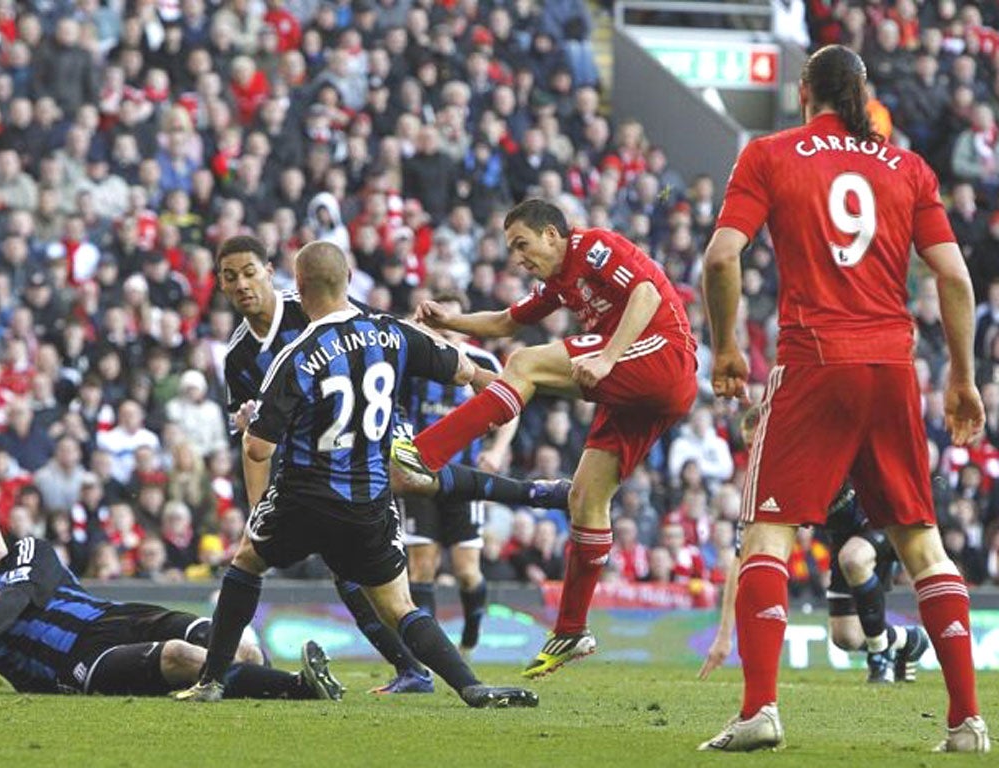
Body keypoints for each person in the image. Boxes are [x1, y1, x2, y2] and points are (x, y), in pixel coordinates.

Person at [699, 45, 989, 752]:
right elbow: (954, 278)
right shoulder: (910, 167)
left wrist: (729, 345)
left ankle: (760, 711)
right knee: (923, 542)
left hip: (816, 359)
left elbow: (719, 256)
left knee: (769, 533)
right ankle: (967, 725)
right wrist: (962, 375)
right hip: (894, 366)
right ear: (861, 93)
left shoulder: (771, 153)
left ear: (804, 92)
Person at [175, 242, 537, 709]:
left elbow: (259, 446)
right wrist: (511, 397)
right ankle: (470, 685)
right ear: (348, 281)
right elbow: (465, 369)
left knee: (246, 563)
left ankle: (211, 682)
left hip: (302, 493)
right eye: (230, 276)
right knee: (399, 604)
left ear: (294, 286)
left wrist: (256, 438)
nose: (242, 285)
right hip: (369, 491)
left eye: (250, 273)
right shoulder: (388, 332)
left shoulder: (296, 354)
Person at [392, 198, 698, 678]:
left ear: (553, 235)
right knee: (585, 499)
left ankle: (424, 453)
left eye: (522, 244)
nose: (517, 256)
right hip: (640, 385)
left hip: (661, 356)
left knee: (524, 364)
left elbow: (646, 296)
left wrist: (608, 357)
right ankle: (572, 629)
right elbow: (505, 322)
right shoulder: (557, 282)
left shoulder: (593, 246)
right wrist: (448, 322)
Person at [0, 505, 340, 700]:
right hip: (74, 662)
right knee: (179, 656)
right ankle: (300, 687)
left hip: (114, 616)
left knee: (237, 646)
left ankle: (267, 683)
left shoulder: (29, 549)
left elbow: (16, 599)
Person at [699, 409, 930, 685]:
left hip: (885, 514)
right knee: (846, 636)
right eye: (748, 447)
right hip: (844, 535)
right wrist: (724, 636)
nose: (754, 453)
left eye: (758, 443)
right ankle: (910, 640)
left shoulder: (814, 450)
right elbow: (741, 560)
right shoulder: (763, 487)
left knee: (853, 559)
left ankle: (879, 659)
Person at [397, 291, 515, 657]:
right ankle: (428, 654)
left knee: (467, 571)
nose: (447, 331)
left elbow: (513, 406)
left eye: (454, 323)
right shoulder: (414, 360)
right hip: (419, 475)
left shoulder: (482, 361)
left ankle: (471, 633)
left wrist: (496, 450)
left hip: (464, 477)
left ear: (465, 328)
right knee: (422, 567)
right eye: (440, 321)